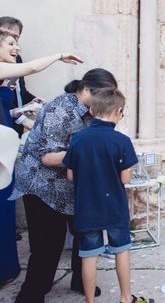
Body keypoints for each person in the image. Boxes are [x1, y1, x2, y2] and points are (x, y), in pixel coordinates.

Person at [10, 68, 118, 303]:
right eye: (104, 96)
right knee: (48, 243)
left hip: (73, 185)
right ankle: (31, 294)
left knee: (86, 233)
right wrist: (90, 151)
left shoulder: (93, 110)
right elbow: (48, 157)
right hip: (42, 185)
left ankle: (81, 280)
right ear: (87, 90)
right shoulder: (60, 109)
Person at [0, 30, 83, 288]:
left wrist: (25, 110)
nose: (17, 48)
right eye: (11, 43)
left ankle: (6, 269)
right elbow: (34, 67)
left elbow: (7, 112)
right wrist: (59, 56)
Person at [63, 88, 153, 303]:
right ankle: (124, 298)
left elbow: (70, 175)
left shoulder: (78, 139)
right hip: (114, 205)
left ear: (92, 110)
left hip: (87, 205)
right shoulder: (121, 141)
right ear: (118, 111)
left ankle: (89, 301)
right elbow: (124, 179)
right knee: (121, 250)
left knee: (88, 255)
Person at [0, 16, 43, 135]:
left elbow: (20, 91)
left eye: (15, 37)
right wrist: (59, 56)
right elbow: (33, 67)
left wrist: (30, 103)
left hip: (13, 124)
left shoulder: (16, 58)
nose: (14, 43)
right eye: (5, 34)